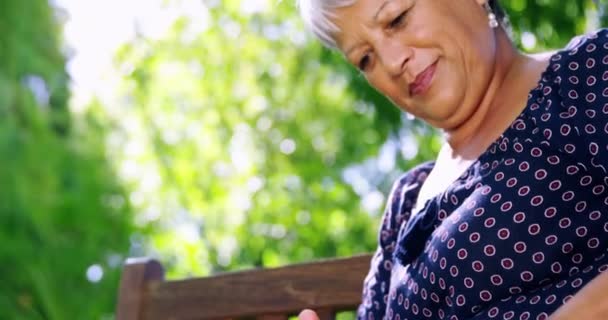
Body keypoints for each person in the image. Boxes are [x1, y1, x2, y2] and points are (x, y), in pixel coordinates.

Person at [296, 0, 608, 319]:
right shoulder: (406, 202)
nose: (391, 63)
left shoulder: (585, 79)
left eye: (397, 19)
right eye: (365, 59)